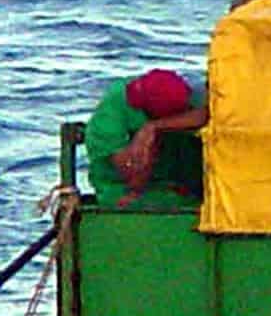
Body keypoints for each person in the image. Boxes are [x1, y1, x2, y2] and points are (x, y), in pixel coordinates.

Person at [84, 68, 207, 210]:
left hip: (178, 181)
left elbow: (206, 114)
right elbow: (133, 180)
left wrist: (155, 126)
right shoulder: (109, 120)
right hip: (121, 188)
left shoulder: (174, 91)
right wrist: (149, 146)